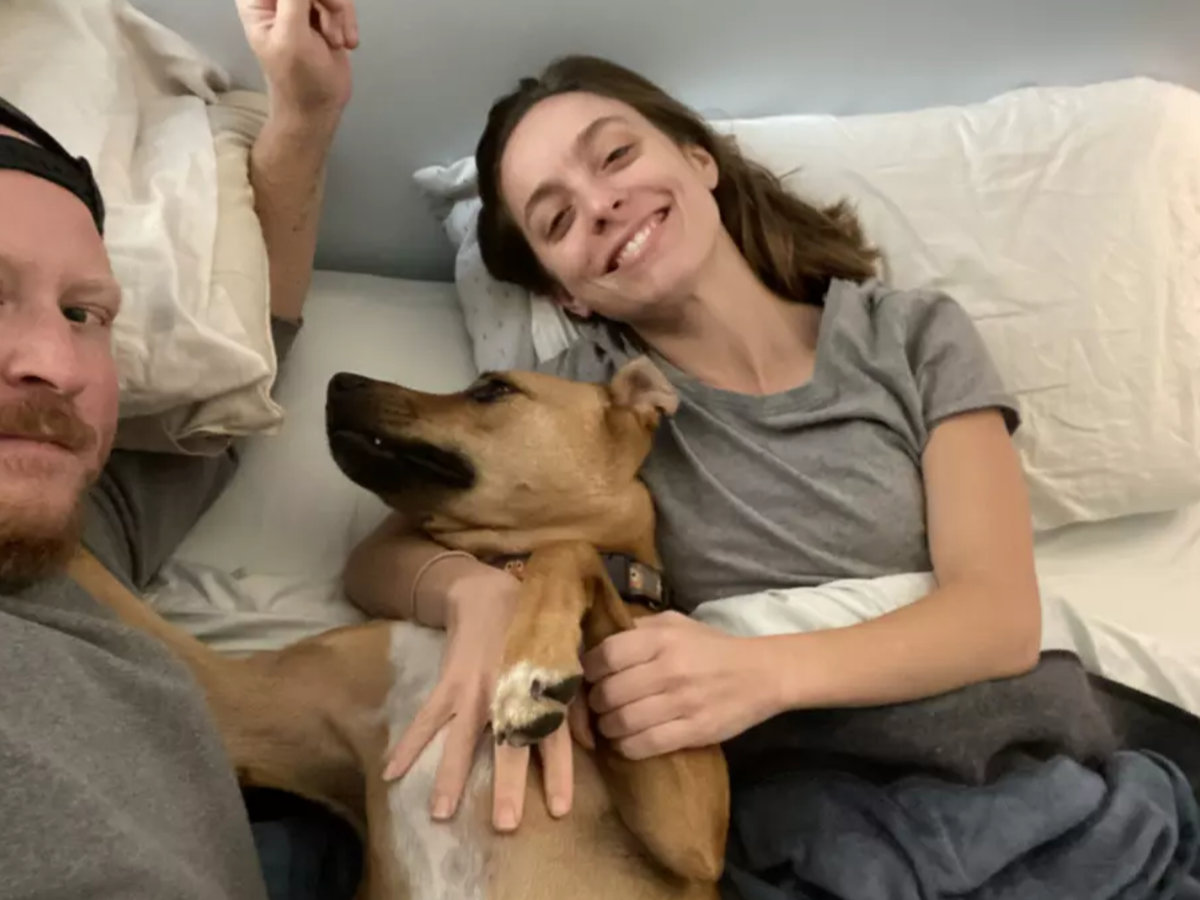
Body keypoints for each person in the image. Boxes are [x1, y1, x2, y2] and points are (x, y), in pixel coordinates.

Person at [345, 55, 1200, 897]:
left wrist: (761, 673)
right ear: (568, 294)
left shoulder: (906, 337)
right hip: (801, 815)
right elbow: (380, 558)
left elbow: (1000, 618)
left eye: (615, 156)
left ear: (698, 160)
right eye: (558, 219)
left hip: (1009, 765)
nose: (600, 204)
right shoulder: (582, 406)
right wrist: (479, 599)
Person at [0, 1, 362, 898]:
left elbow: (249, 352)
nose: (56, 365)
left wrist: (306, 114)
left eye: (85, 313)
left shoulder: (71, 532)